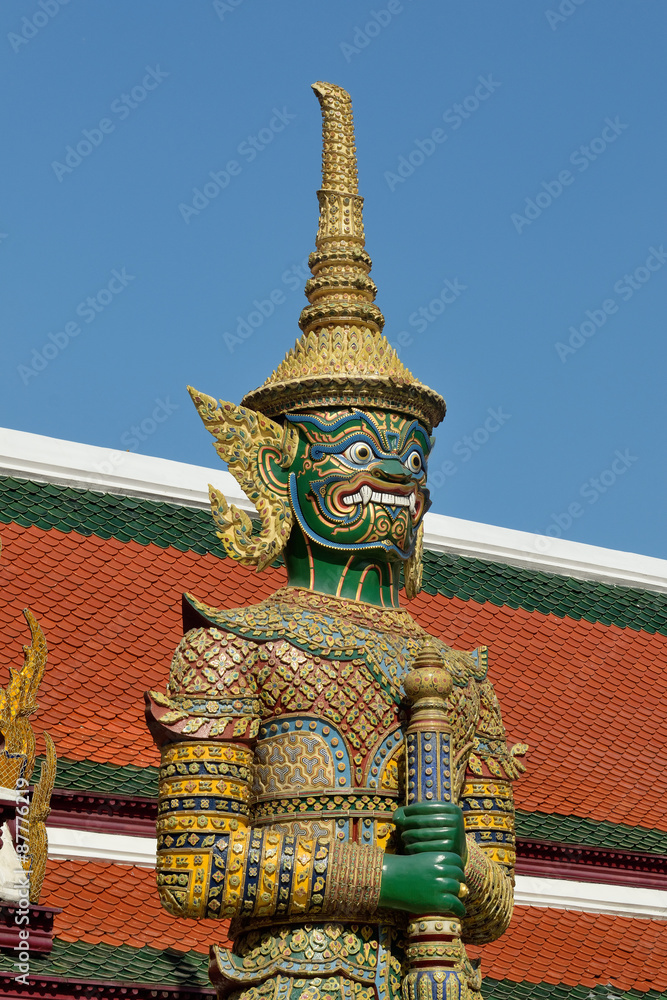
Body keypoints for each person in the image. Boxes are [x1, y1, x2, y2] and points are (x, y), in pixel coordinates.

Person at [145, 81, 524, 1000]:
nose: (389, 479)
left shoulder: (462, 674)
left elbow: (499, 901)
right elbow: (191, 871)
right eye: (358, 451)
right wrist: (381, 878)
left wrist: (463, 871)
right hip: (295, 976)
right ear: (282, 469)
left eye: (406, 456)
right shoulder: (232, 650)